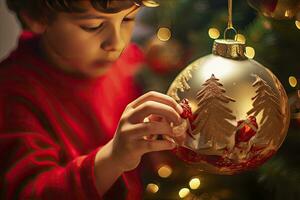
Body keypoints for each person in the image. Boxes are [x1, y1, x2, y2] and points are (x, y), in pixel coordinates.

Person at [0, 0, 185, 199]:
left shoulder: (128, 61)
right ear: (35, 17)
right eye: (93, 26)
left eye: (127, 19)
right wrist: (113, 157)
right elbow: (30, 192)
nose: (117, 43)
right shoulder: (12, 93)